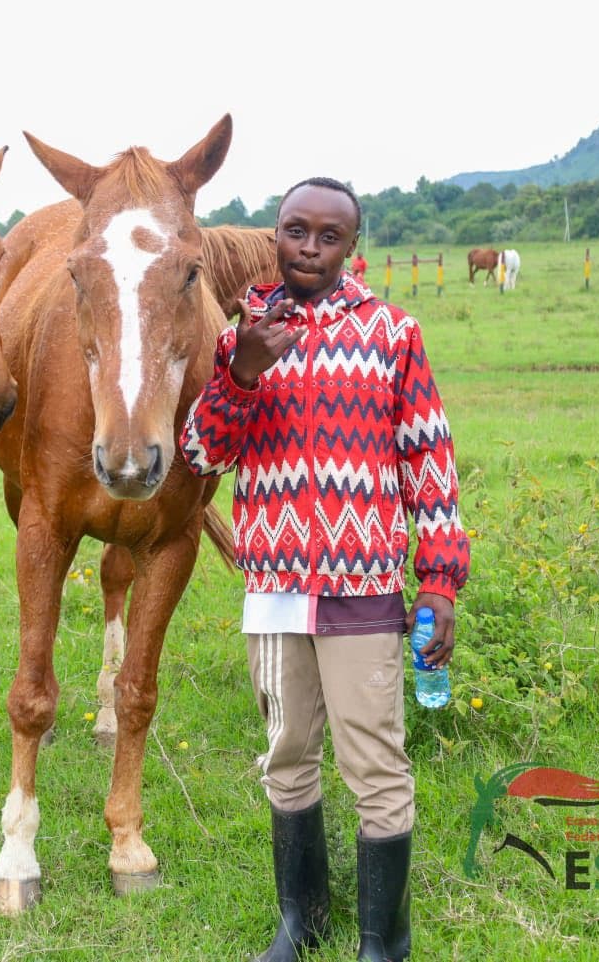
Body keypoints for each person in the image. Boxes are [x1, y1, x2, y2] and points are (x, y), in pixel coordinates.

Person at [179, 178, 468, 962]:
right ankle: (299, 920)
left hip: (361, 585)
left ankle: (384, 940)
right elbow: (201, 454)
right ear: (274, 235)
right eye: (294, 230)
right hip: (272, 586)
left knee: (373, 757)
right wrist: (240, 371)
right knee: (285, 751)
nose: (309, 247)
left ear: (351, 245)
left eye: (327, 235)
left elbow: (428, 463)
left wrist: (439, 579)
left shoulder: (391, 334)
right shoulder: (243, 334)